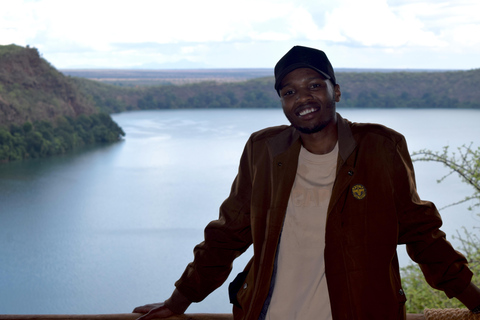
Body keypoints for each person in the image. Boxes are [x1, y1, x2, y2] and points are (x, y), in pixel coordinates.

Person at [133, 45, 480, 320]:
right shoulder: (263, 151)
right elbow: (227, 234)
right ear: (282, 101)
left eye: (314, 85)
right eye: (289, 91)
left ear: (336, 91)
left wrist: (473, 299)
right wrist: (180, 299)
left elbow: (421, 234)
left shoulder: (379, 148)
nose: (302, 98)